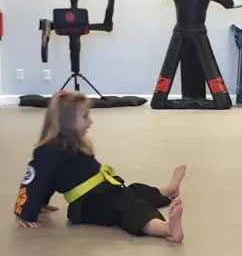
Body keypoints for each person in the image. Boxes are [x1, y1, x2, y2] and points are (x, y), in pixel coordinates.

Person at [14, 91, 185, 242]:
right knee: (129, 208)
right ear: (67, 122)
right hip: (88, 205)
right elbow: (36, 182)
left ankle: (168, 190)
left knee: (135, 191)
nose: (91, 121)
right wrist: (26, 212)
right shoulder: (48, 151)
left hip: (107, 189)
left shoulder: (77, 142)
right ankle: (167, 228)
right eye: (85, 116)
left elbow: (50, 179)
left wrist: (43, 204)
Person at [150, 0, 234, 109]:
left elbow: (228, 4)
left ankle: (220, 99)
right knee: (170, 69)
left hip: (199, 33)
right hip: (180, 32)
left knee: (207, 66)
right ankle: (159, 99)